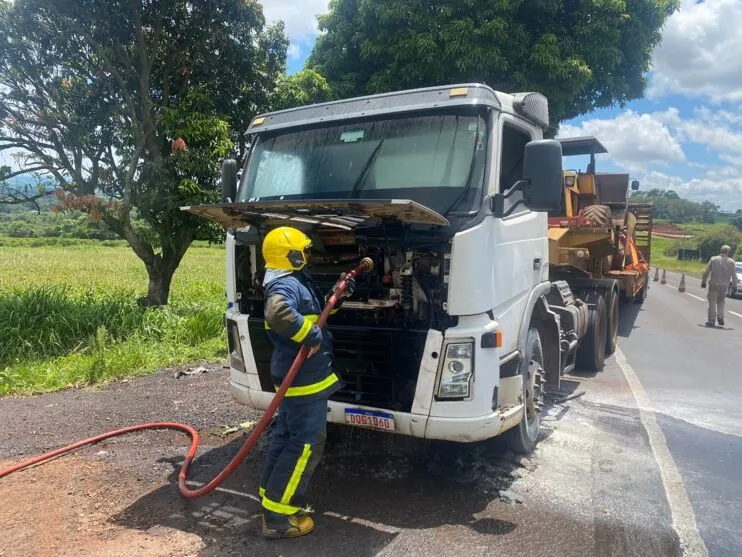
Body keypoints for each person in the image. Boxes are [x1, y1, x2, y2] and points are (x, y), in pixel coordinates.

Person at [257, 226, 354, 539]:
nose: (309, 255)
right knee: (305, 444)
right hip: (304, 382)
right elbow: (278, 313)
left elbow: (314, 314)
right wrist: (310, 336)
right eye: (305, 250)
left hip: (299, 379)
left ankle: (271, 497)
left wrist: (336, 297)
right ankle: (277, 518)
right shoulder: (282, 286)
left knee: (286, 436)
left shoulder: (290, 280)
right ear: (292, 255)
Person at [701, 244, 736, 327]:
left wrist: (704, 281)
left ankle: (711, 321)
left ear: (721, 250)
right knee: (721, 302)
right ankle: (720, 316)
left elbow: (706, 272)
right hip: (724, 286)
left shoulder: (714, 259)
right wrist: (734, 286)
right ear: (728, 252)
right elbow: (734, 275)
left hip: (714, 284)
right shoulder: (731, 262)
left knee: (712, 302)